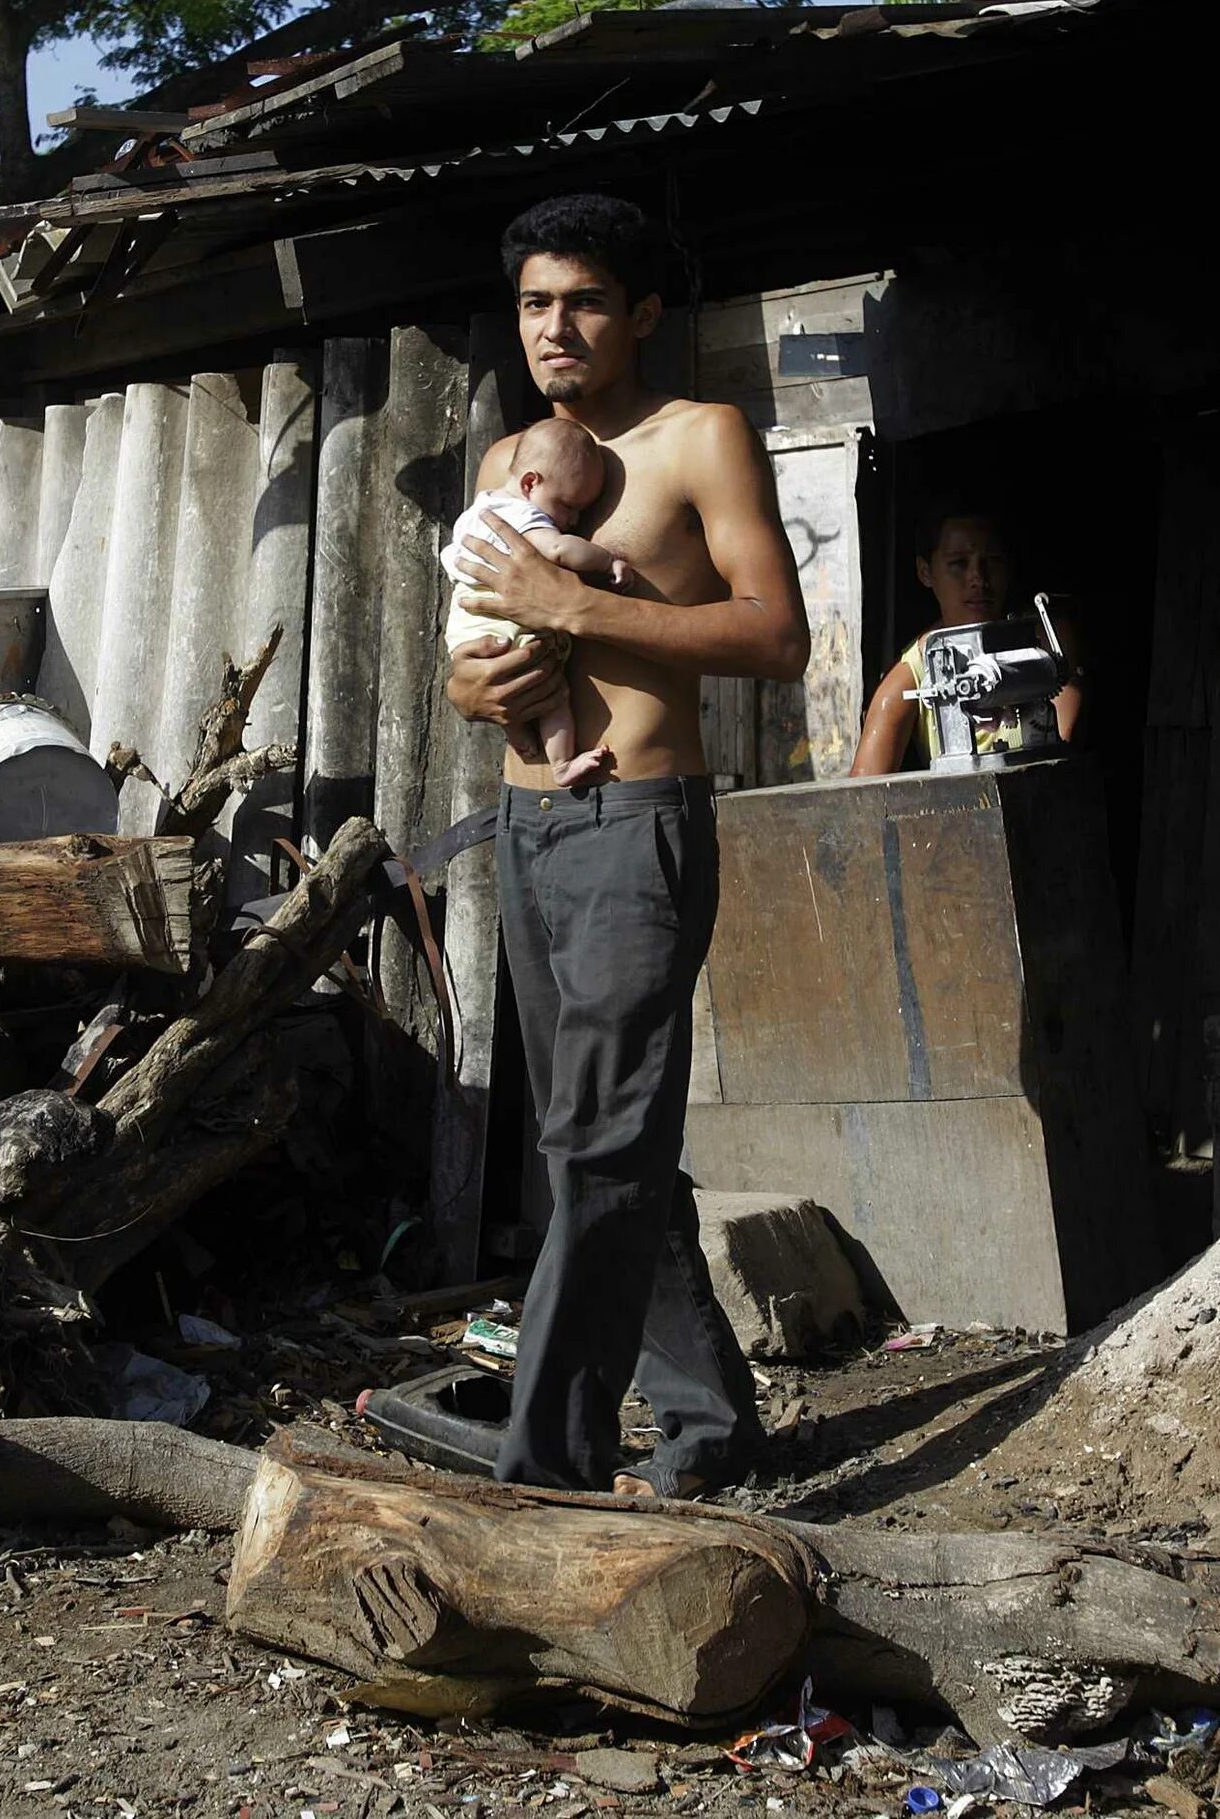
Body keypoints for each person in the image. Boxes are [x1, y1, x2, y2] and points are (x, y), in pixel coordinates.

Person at [443, 190, 810, 1500]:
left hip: (638, 826)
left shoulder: (700, 438)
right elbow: (471, 641)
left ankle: (543, 1470)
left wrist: (576, 603)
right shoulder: (507, 461)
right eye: (536, 303)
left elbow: (776, 635)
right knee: (601, 1144)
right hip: (528, 824)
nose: (556, 327)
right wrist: (474, 687)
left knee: (596, 1147)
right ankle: (711, 1426)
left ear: (643, 313)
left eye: (586, 302)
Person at [440, 420, 635, 788]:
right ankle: (562, 764)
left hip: (470, 630)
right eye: (568, 506)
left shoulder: (476, 512)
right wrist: (607, 561)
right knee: (552, 696)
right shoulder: (521, 514)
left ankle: (519, 736)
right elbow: (558, 549)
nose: (573, 520)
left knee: (509, 690)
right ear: (530, 483)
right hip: (509, 626)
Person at [848, 505, 1084, 776]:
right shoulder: (910, 676)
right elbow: (864, 789)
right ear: (925, 572)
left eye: (992, 560)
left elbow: (1064, 762)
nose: (978, 578)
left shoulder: (1047, 642)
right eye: (959, 563)